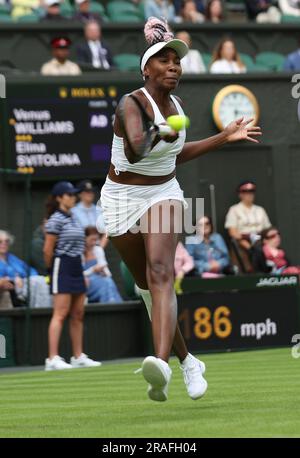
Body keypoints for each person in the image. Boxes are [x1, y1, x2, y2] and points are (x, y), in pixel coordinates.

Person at [98, 17, 262, 402]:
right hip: (120, 198)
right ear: (146, 68)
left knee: (161, 273)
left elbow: (174, 155)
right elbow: (138, 148)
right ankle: (189, 361)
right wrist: (164, 130)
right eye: (164, 59)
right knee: (145, 288)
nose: (173, 66)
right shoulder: (130, 103)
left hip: (164, 193)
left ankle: (160, 363)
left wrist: (223, 136)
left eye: (177, 61)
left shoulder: (179, 105)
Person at [43, 181, 101, 371]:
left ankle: (77, 356)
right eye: (69, 195)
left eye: (73, 194)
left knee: (78, 314)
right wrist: (52, 272)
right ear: (59, 198)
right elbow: (48, 249)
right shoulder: (55, 219)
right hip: (62, 265)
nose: (73, 197)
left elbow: (80, 247)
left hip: (76, 265)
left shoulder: (74, 218)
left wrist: (82, 270)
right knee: (60, 314)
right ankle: (52, 359)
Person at [0, 230, 52, 309]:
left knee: (41, 281)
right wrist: (14, 279)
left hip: (25, 287)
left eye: (6, 241)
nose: (4, 244)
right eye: (0, 241)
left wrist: (25, 279)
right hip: (12, 289)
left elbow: (29, 270)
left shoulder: (12, 258)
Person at [225, 180, 271, 252]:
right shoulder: (234, 210)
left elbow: (268, 229)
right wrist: (249, 246)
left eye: (251, 192)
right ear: (240, 194)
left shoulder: (260, 210)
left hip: (261, 240)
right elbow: (232, 232)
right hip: (244, 242)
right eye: (246, 192)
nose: (249, 195)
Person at [83, 227, 123, 303]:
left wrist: (104, 272)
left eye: (96, 240)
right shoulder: (80, 253)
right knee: (106, 283)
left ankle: (114, 304)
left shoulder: (98, 250)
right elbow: (79, 274)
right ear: (85, 238)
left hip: (101, 278)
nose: (94, 242)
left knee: (108, 281)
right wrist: (93, 270)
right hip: (86, 282)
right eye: (92, 240)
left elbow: (106, 270)